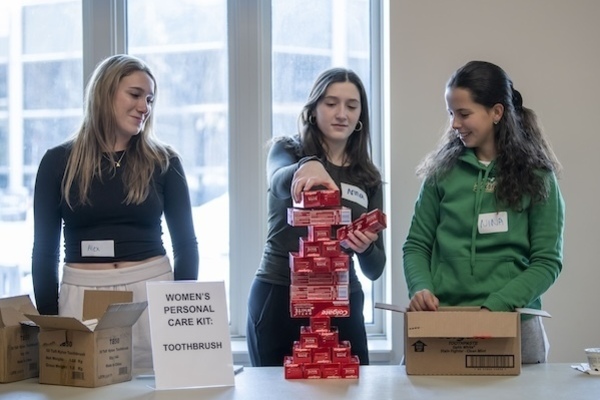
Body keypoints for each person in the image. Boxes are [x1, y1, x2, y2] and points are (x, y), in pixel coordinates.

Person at [31, 54, 199, 369]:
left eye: (150, 99)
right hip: (81, 294)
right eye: (135, 95)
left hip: (151, 292)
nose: (144, 107)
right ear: (104, 93)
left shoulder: (164, 162)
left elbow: (187, 245)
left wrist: (181, 312)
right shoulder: (57, 162)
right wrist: (51, 325)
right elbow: (44, 252)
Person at [403, 60, 565, 363]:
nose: (454, 124)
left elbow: (547, 262)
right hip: (444, 322)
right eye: (451, 113)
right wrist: (420, 287)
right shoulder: (441, 173)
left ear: (496, 112)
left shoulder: (538, 177)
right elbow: (416, 245)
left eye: (464, 114)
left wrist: (497, 307)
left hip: (514, 324)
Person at [246, 68, 386, 366]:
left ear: (361, 115)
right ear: (313, 109)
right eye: (331, 103)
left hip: (342, 300)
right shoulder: (286, 150)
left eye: (351, 106)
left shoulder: (368, 177)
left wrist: (365, 247)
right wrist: (307, 165)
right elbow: (278, 181)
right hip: (280, 293)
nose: (341, 114)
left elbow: (375, 269)